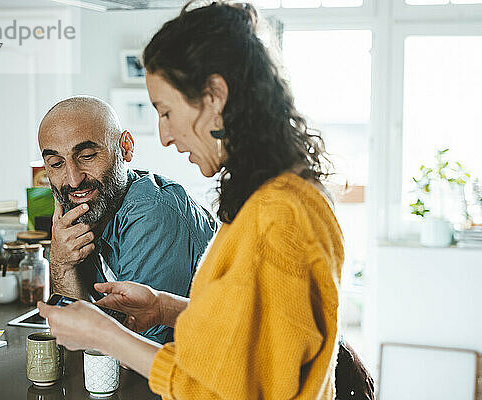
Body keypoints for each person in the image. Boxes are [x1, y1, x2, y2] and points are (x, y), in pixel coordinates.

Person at [38, 2, 344, 398]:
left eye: (166, 112)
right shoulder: (281, 196)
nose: (164, 136)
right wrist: (165, 308)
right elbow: (254, 339)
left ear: (214, 96)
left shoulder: (277, 215)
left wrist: (106, 335)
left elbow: (225, 389)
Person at [38, 95, 217, 344]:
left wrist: (60, 264)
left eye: (87, 156)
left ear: (125, 148)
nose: (73, 179)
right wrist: (61, 264)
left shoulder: (150, 212)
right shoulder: (89, 211)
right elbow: (72, 334)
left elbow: (131, 349)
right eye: (56, 163)